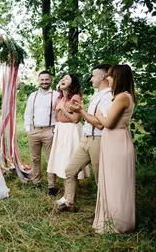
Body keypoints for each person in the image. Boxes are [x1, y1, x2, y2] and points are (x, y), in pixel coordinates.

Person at [56, 64, 112, 212]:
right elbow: (90, 116)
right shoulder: (96, 95)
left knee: (100, 178)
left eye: (93, 76)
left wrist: (81, 111)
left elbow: (100, 124)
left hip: (98, 139)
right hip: (86, 138)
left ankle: (105, 212)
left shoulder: (109, 97)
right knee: (70, 170)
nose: (91, 79)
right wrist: (81, 110)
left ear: (103, 77)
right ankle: (70, 204)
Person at [92, 64, 136, 234]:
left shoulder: (122, 98)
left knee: (116, 182)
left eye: (110, 76)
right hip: (114, 140)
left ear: (118, 78)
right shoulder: (122, 96)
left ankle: (119, 222)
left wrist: (99, 115)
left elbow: (108, 123)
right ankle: (110, 217)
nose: (107, 78)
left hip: (117, 140)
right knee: (111, 180)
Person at [47, 74, 89, 196]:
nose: (63, 80)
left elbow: (76, 119)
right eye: (62, 78)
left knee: (69, 160)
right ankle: (67, 194)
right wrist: (59, 108)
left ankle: (68, 195)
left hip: (71, 131)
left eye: (67, 78)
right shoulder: (60, 98)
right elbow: (57, 117)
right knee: (61, 160)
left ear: (73, 83)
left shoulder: (75, 97)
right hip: (61, 129)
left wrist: (63, 109)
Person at [24, 70, 59, 194]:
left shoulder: (56, 95)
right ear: (39, 80)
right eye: (42, 79)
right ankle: (36, 182)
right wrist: (28, 129)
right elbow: (28, 113)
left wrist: (55, 129)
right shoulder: (33, 95)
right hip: (34, 130)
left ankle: (52, 186)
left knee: (50, 159)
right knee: (35, 158)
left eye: (47, 79)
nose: (44, 82)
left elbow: (59, 114)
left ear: (50, 80)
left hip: (49, 130)